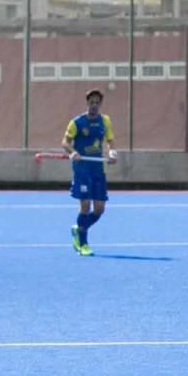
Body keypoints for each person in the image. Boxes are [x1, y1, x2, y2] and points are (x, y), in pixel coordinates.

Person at [62, 88, 118, 256]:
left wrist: (112, 153)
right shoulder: (77, 122)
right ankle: (83, 244)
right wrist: (72, 152)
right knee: (85, 205)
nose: (94, 105)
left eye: (97, 102)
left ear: (100, 104)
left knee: (99, 209)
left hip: (97, 169)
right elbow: (65, 142)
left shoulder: (105, 121)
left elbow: (110, 141)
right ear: (87, 103)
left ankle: (80, 228)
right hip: (82, 169)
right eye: (91, 102)